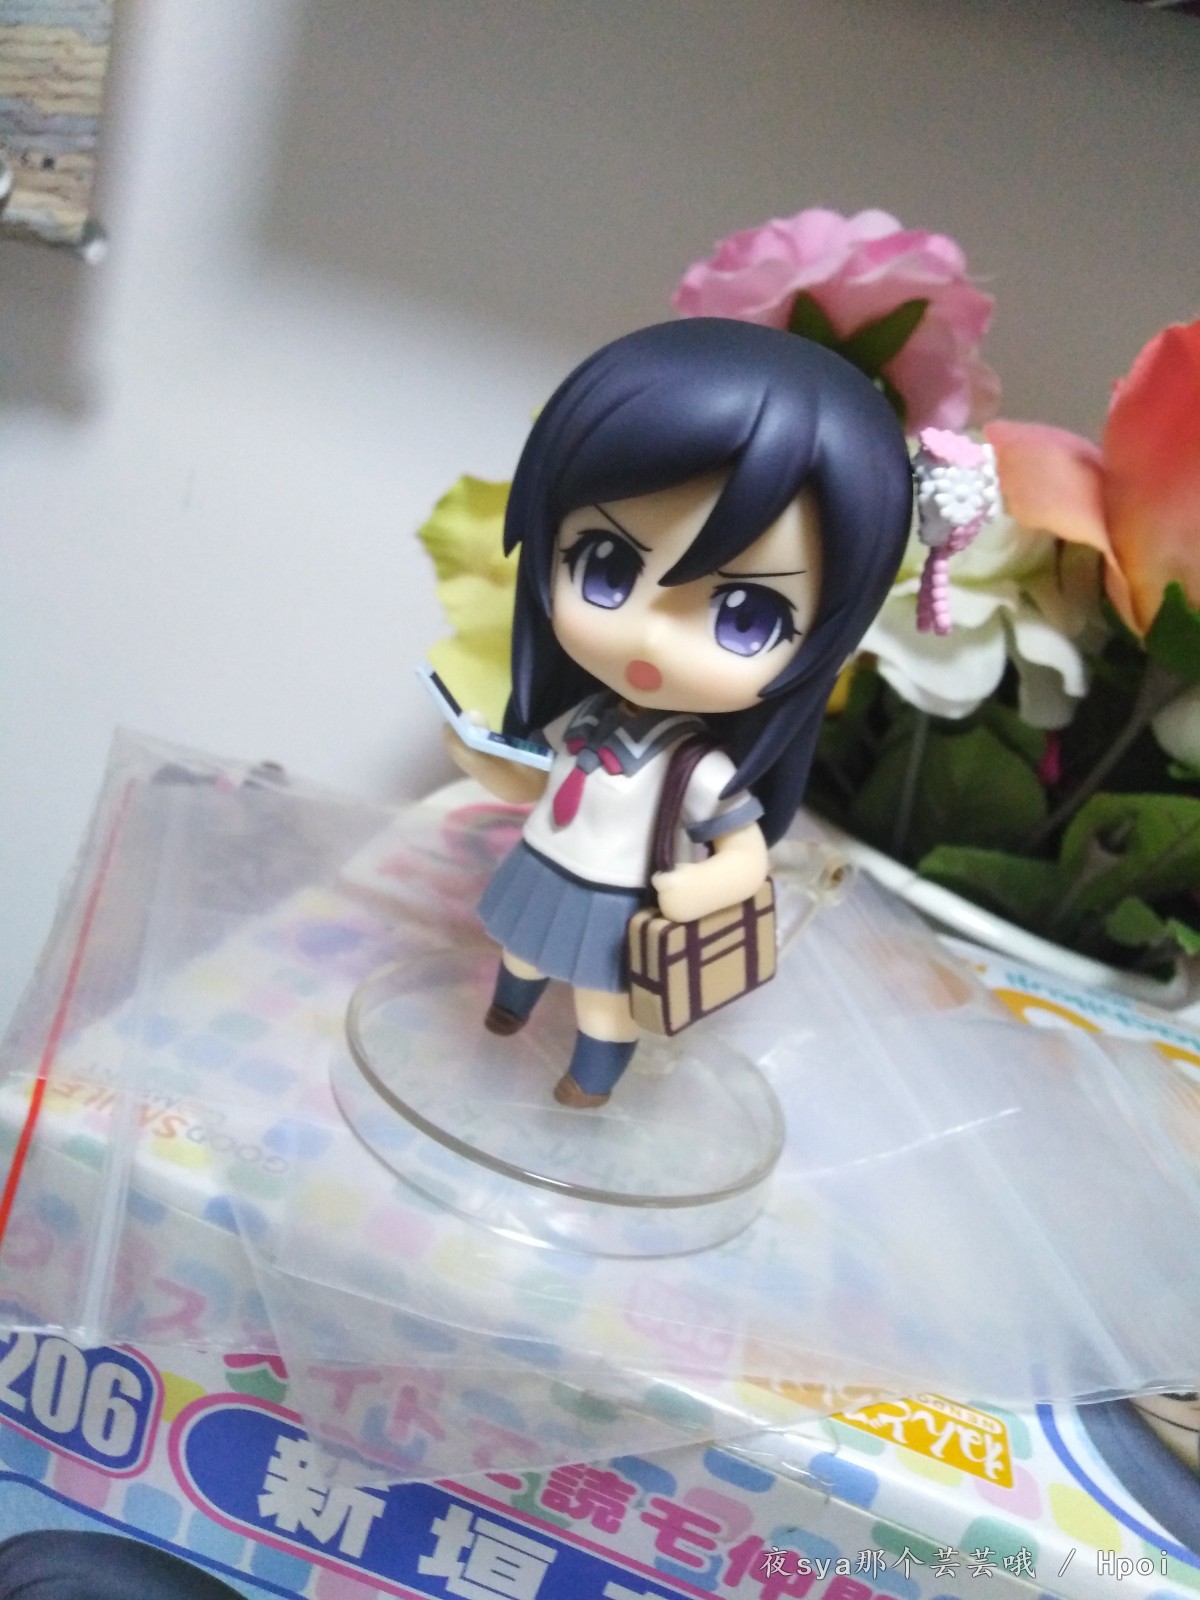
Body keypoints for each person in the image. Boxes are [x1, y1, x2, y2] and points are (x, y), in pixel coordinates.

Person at [447, 317, 912, 1106]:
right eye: (605, 566)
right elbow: (540, 781)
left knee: (603, 1001)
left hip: (618, 898)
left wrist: (704, 889)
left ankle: (590, 1081)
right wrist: (483, 760)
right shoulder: (582, 715)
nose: (652, 635)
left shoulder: (699, 766)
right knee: (520, 951)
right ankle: (507, 1011)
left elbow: (743, 852)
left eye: (745, 617)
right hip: (546, 864)